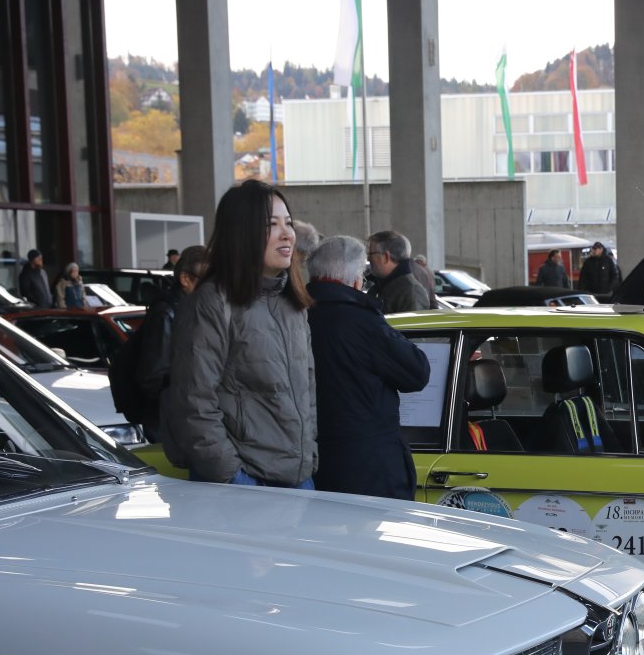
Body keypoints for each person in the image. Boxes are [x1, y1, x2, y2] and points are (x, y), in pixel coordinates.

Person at [165, 179, 317, 489]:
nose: (287, 233)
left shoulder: (293, 304)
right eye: (271, 225)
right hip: (244, 483)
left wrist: (309, 455)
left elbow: (307, 390)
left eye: (288, 223)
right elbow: (193, 402)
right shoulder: (212, 302)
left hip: (298, 478)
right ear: (241, 233)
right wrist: (232, 476)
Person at [306, 235, 432, 500]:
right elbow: (417, 371)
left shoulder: (294, 314)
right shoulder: (361, 320)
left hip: (311, 460)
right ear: (356, 281)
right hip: (369, 468)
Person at [132, 245, 207, 443]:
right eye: (207, 280)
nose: (214, 288)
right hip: (169, 420)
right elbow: (153, 376)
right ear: (185, 279)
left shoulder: (195, 310)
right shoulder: (166, 314)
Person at [366, 230, 430, 314]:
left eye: (371, 254)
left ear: (386, 257)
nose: (368, 259)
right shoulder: (379, 287)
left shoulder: (412, 292)